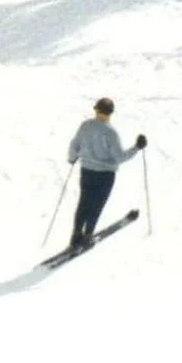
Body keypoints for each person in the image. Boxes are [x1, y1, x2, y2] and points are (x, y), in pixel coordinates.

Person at [67, 97, 145, 249]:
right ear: (111, 113)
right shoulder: (110, 132)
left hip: (86, 171)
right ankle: (88, 235)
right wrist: (137, 147)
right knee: (96, 204)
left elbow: (74, 145)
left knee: (83, 202)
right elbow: (120, 157)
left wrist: (72, 159)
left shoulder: (86, 126)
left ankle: (76, 235)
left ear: (96, 110)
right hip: (104, 175)